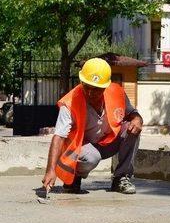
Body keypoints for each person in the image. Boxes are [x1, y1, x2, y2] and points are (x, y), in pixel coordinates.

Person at [42, 58, 143, 194]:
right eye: (87, 87)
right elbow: (58, 136)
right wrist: (50, 170)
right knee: (91, 157)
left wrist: (137, 119)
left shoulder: (117, 93)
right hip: (81, 150)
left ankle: (121, 178)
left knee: (132, 129)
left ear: (105, 87)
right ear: (81, 82)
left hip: (108, 143)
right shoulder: (70, 103)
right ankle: (74, 177)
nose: (90, 93)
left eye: (96, 89)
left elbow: (133, 114)